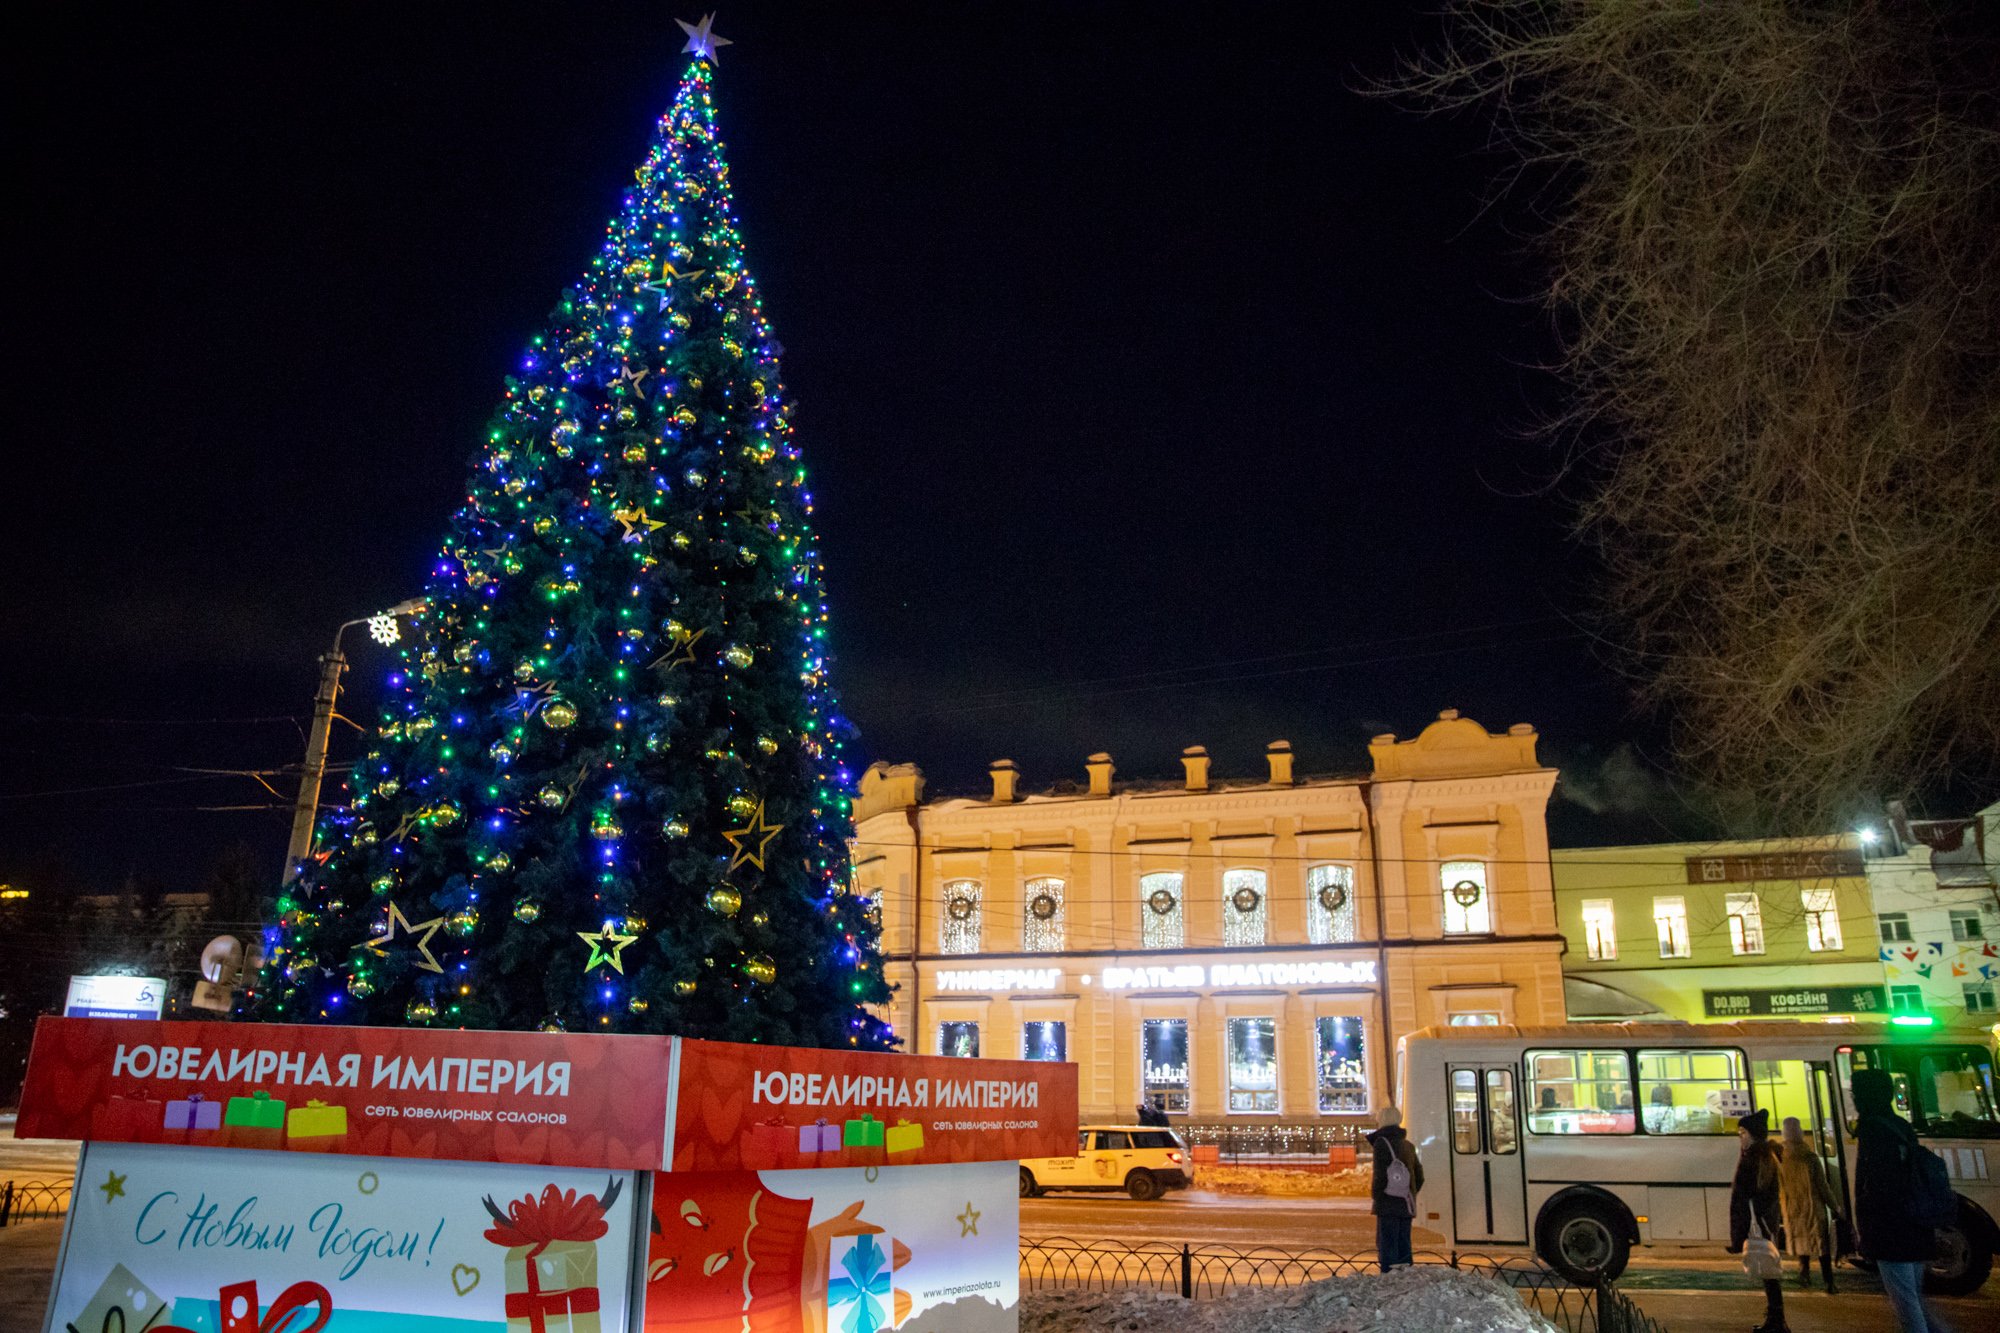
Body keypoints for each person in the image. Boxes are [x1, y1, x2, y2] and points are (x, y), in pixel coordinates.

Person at [1853, 1068, 1955, 1333]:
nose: (1853, 1098)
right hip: (1916, 1225)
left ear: (1866, 1096)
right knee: (1914, 1300)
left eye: (1856, 1093)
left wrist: (1867, 1233)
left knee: (1907, 1306)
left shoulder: (1872, 1129)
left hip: (1891, 1232)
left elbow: (1876, 1188)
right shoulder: (1900, 1124)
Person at [1726, 1108, 1788, 1333]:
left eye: (1742, 1133)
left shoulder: (1751, 1159)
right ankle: (1776, 1319)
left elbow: (1740, 1202)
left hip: (1757, 1225)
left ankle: (1776, 1321)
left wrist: (1737, 1238)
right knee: (1769, 1271)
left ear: (1751, 1134)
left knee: (1768, 1271)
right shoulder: (1768, 1156)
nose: (1740, 1138)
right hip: (1767, 1222)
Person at [1777, 1116, 1840, 1293]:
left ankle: (1804, 1275)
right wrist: (1836, 1207)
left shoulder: (1780, 1158)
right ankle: (1829, 1282)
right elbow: (1823, 1186)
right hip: (1814, 1209)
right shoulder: (1810, 1157)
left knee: (1800, 1242)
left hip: (1791, 1208)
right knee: (1821, 1246)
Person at [1366, 1105, 1423, 1272]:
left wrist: (1378, 1197)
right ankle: (1405, 1279)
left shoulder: (1381, 1143)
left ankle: (1390, 1279)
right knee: (1404, 1244)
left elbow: (1380, 1176)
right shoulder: (1408, 1145)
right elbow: (1419, 1176)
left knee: (1387, 1245)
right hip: (1406, 1203)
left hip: (1388, 1203)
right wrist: (1407, 1192)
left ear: (1383, 1120)